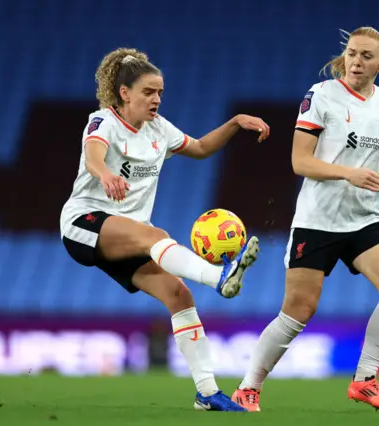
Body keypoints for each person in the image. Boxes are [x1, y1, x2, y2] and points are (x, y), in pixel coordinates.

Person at [59, 47, 270, 412]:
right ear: (124, 93)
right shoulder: (102, 121)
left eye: (159, 93)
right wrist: (105, 173)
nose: (156, 99)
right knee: (155, 236)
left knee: (178, 295)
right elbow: (94, 154)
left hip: (129, 236)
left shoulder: (159, 129)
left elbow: (202, 148)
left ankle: (206, 393)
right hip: (85, 224)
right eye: (148, 92)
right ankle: (219, 276)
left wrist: (235, 122)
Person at [232, 27, 379, 412]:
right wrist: (348, 173)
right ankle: (248, 387)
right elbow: (300, 162)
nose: (356, 62)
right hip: (317, 221)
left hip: (364, 218)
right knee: (299, 310)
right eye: (351, 53)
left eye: (366, 56)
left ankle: (365, 379)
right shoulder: (322, 97)